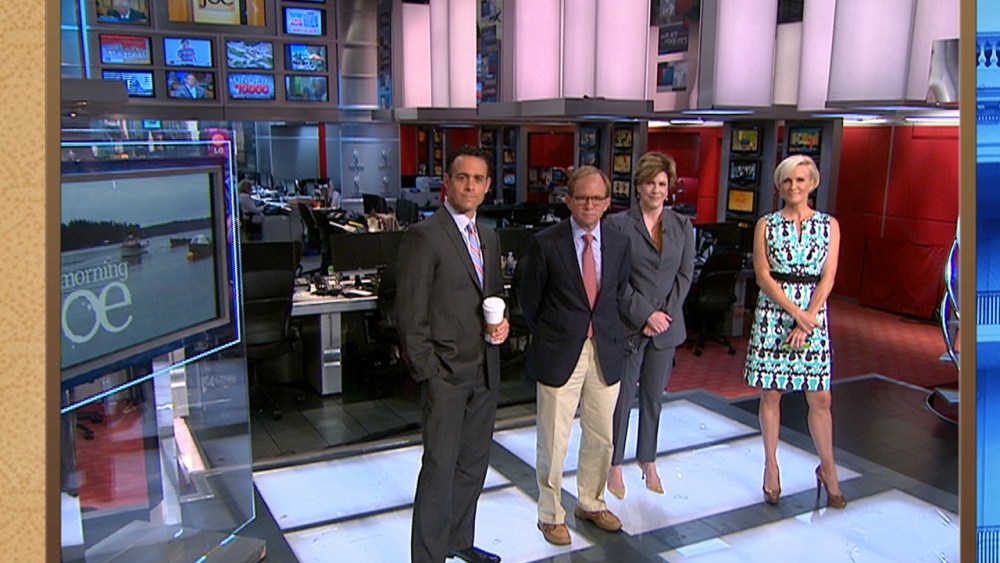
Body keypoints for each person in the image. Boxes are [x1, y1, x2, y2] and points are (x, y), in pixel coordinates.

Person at [394, 145, 510, 563]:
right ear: (447, 182)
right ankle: (428, 557)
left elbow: (492, 296)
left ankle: (458, 541)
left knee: (473, 465)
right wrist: (430, 373)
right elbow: (409, 314)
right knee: (439, 470)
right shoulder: (424, 236)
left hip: (484, 371)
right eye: (463, 178)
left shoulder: (489, 237)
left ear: (488, 186)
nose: (470, 186)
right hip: (445, 375)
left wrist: (502, 323)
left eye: (478, 179)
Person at [518, 166, 631, 546]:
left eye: (597, 198)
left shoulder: (619, 242)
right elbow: (529, 301)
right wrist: (555, 333)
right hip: (558, 352)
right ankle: (550, 514)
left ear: (608, 202)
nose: (589, 204)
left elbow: (616, 295)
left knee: (601, 436)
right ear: (567, 200)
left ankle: (591, 502)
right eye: (582, 197)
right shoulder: (545, 243)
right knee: (553, 440)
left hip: (605, 351)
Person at [743, 154, 846, 509]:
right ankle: (771, 466)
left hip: (814, 314)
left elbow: (828, 277)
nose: (794, 186)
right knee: (772, 392)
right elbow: (762, 276)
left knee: (821, 397)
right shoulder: (766, 225)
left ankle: (828, 469)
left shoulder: (829, 225)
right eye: (787, 181)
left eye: (800, 180)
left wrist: (808, 317)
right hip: (775, 312)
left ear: (812, 183)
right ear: (779, 186)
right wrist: (795, 313)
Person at [603, 152, 695, 499]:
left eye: (661, 183)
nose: (655, 190)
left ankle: (648, 460)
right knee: (622, 399)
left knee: (653, 397)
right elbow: (615, 278)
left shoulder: (683, 226)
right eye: (649, 183)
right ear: (637, 186)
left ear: (669, 188)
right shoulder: (618, 225)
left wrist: (663, 316)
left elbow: (685, 275)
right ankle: (614, 464)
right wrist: (645, 315)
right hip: (629, 326)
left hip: (666, 327)